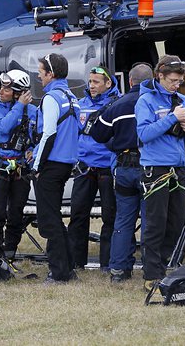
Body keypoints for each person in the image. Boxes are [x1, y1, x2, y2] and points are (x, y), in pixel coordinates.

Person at [135, 55, 185, 292]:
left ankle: (161, 267)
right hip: (156, 169)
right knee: (155, 223)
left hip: (178, 167)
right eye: (172, 80)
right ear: (159, 76)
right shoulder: (146, 101)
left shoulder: (182, 99)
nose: (176, 84)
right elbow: (144, 134)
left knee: (175, 223)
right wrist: (173, 117)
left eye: (179, 81)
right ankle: (152, 274)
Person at [90, 63, 154, 284]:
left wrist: (115, 145)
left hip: (124, 168)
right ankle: (150, 268)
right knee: (149, 220)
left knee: (124, 219)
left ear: (130, 82)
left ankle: (119, 270)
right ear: (152, 80)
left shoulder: (117, 105)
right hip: (150, 168)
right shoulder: (156, 102)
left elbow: (97, 133)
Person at [32, 53, 80, 283]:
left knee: (48, 221)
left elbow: (48, 133)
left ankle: (60, 273)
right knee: (55, 218)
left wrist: (37, 166)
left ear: (51, 74)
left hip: (51, 165)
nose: (38, 76)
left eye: (41, 72)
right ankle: (68, 268)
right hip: (66, 163)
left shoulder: (51, 98)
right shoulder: (71, 96)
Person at [68, 66, 120, 272]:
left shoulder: (117, 104)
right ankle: (75, 261)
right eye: (90, 81)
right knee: (78, 215)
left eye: (96, 81)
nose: (92, 86)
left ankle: (107, 263)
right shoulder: (80, 105)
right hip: (84, 169)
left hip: (107, 169)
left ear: (108, 83)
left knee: (110, 217)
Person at [0, 69, 37, 260]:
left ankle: (10, 252)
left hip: (21, 167)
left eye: (6, 89)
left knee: (16, 214)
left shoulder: (33, 112)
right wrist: (19, 107)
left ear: (18, 92)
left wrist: (34, 149)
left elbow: (38, 136)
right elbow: (3, 127)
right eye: (1, 87)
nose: (1, 91)